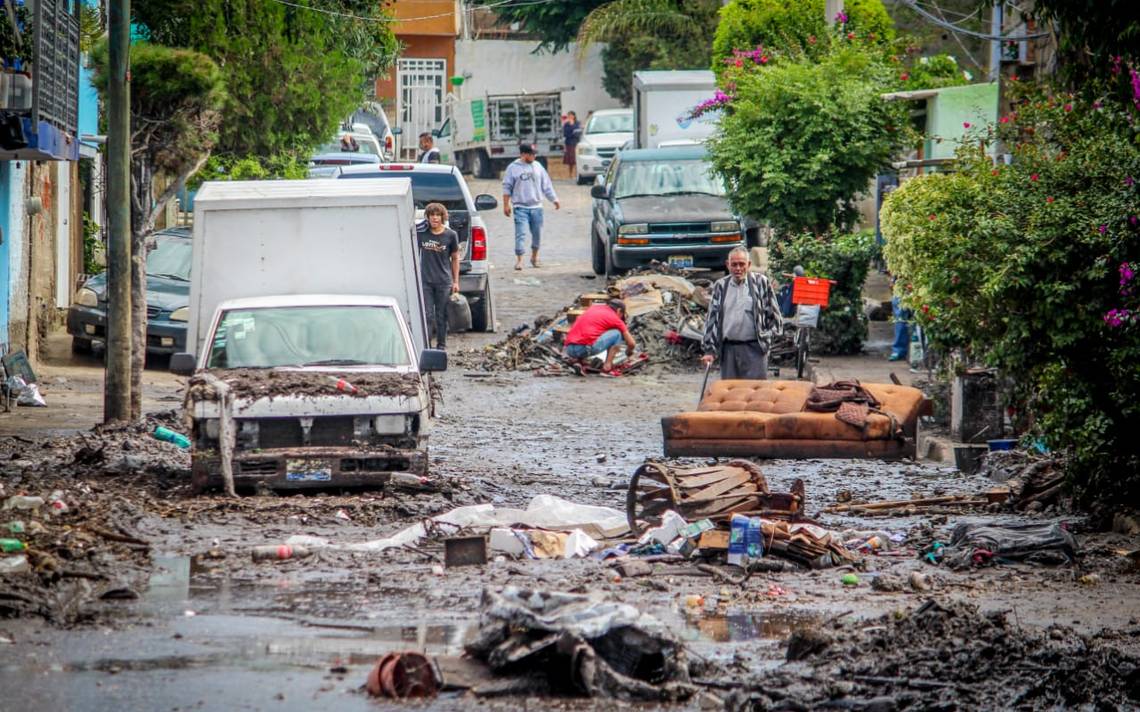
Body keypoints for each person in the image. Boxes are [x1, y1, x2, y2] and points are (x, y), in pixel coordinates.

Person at [701, 247, 783, 380]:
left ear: (748, 265)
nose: (738, 268)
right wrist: (709, 350)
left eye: (741, 264)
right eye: (734, 264)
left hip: (755, 349)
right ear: (727, 265)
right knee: (730, 391)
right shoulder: (721, 286)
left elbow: (775, 317)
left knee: (755, 391)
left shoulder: (761, 283)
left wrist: (766, 340)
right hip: (728, 350)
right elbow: (712, 319)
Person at [502, 143, 560, 271]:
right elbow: (507, 187)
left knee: (537, 234)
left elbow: (546, 185)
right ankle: (519, 260)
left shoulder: (538, 166)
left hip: (537, 207)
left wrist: (554, 199)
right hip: (520, 207)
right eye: (531, 154)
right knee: (520, 234)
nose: (534, 156)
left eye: (534, 154)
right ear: (523, 154)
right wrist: (506, 204)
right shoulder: (513, 168)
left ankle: (534, 257)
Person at [417, 202, 460, 349]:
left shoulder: (450, 235)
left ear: (443, 217)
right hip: (426, 282)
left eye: (438, 215)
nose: (435, 218)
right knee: (427, 315)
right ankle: (427, 346)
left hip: (444, 282)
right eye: (432, 215)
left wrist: (456, 281)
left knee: (441, 316)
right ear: (427, 217)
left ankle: (441, 346)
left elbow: (455, 258)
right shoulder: (422, 234)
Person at [564, 299, 636, 373]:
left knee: (591, 333)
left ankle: (578, 360)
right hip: (584, 349)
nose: (621, 318)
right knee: (617, 333)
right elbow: (632, 344)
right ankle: (607, 366)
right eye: (621, 316)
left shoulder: (594, 308)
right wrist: (628, 351)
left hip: (569, 349)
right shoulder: (615, 319)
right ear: (619, 310)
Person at [889, 275, 912, 361]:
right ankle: (899, 350)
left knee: (918, 318)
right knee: (900, 318)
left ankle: (902, 350)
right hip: (902, 283)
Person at [562, 111, 581, 179]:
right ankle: (570, 174)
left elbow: (578, 133)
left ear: (574, 116)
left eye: (571, 115)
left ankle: (578, 173)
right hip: (569, 143)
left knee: (577, 159)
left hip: (576, 143)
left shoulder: (577, 123)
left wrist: (573, 132)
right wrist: (572, 133)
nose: (570, 117)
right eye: (569, 115)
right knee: (571, 160)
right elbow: (565, 134)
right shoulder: (566, 124)